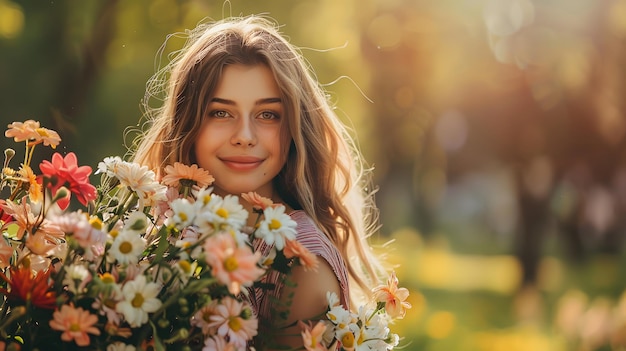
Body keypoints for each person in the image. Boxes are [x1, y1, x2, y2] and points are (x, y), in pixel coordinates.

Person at [131, 15, 386, 349]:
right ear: (188, 122)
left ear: (294, 128)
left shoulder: (300, 266)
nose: (245, 137)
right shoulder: (156, 225)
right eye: (220, 112)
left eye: (268, 115)